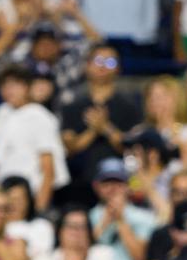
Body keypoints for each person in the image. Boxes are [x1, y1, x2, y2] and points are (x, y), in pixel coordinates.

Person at [60, 45, 142, 208]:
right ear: (87, 65)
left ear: (118, 68)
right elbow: (69, 147)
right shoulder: (72, 106)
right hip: (78, 183)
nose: (103, 66)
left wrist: (105, 127)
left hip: (118, 183)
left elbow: (131, 147)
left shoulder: (129, 107)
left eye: (110, 62)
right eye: (98, 61)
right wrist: (94, 129)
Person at [0, 66, 70, 213]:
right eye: (4, 85)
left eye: (14, 85)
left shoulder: (40, 117)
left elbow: (48, 170)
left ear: (27, 87)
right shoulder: (2, 112)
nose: (8, 90)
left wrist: (39, 210)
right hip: (2, 194)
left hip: (29, 196)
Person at [89, 158, 155, 260]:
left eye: (118, 182)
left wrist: (120, 220)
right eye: (106, 182)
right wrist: (105, 222)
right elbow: (84, 253)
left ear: (127, 186)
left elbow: (140, 258)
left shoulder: (145, 218)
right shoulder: (88, 216)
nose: (112, 188)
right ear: (96, 186)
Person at [2, 176, 55, 260]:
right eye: (10, 199)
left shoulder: (41, 226)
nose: (14, 204)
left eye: (19, 200)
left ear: (28, 201)